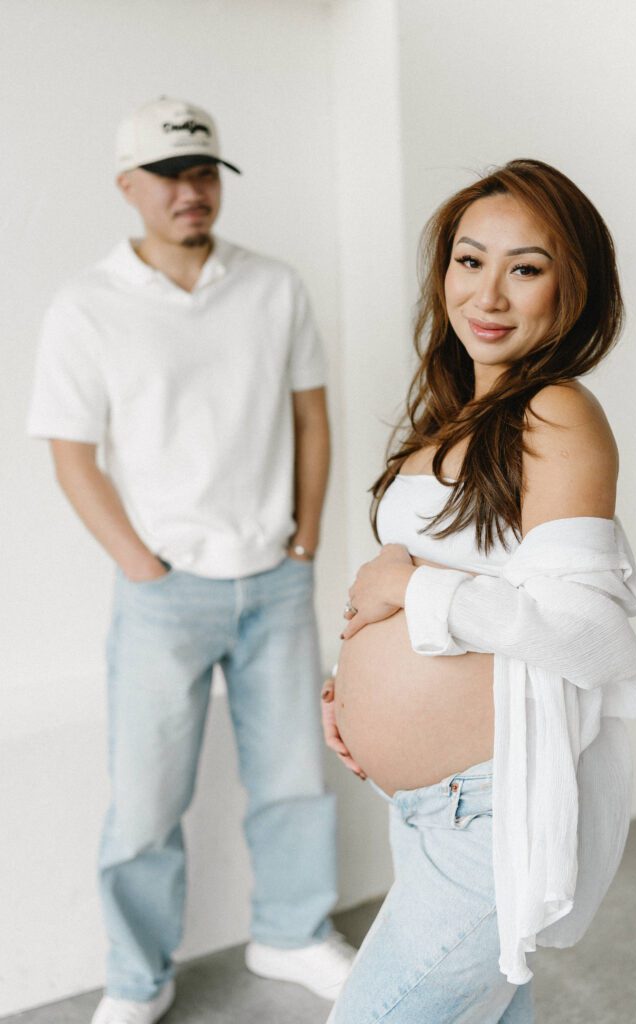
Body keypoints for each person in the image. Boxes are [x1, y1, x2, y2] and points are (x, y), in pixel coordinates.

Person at [28, 97, 354, 1024]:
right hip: (164, 591)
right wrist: (141, 564)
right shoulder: (86, 306)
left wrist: (305, 542)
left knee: (294, 775)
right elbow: (69, 451)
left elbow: (310, 417)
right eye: (170, 176)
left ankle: (291, 932)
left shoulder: (274, 285)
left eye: (204, 172)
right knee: (143, 803)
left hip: (276, 577)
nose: (191, 192)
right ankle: (137, 978)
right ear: (128, 187)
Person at [321, 158, 636, 1023]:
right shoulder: (457, 414)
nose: (490, 295)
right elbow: (411, 587)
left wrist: (414, 586)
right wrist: (349, 688)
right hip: (432, 807)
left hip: (490, 812)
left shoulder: (556, 413)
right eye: (470, 261)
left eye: (526, 268)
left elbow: (591, 637)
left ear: (571, 289)